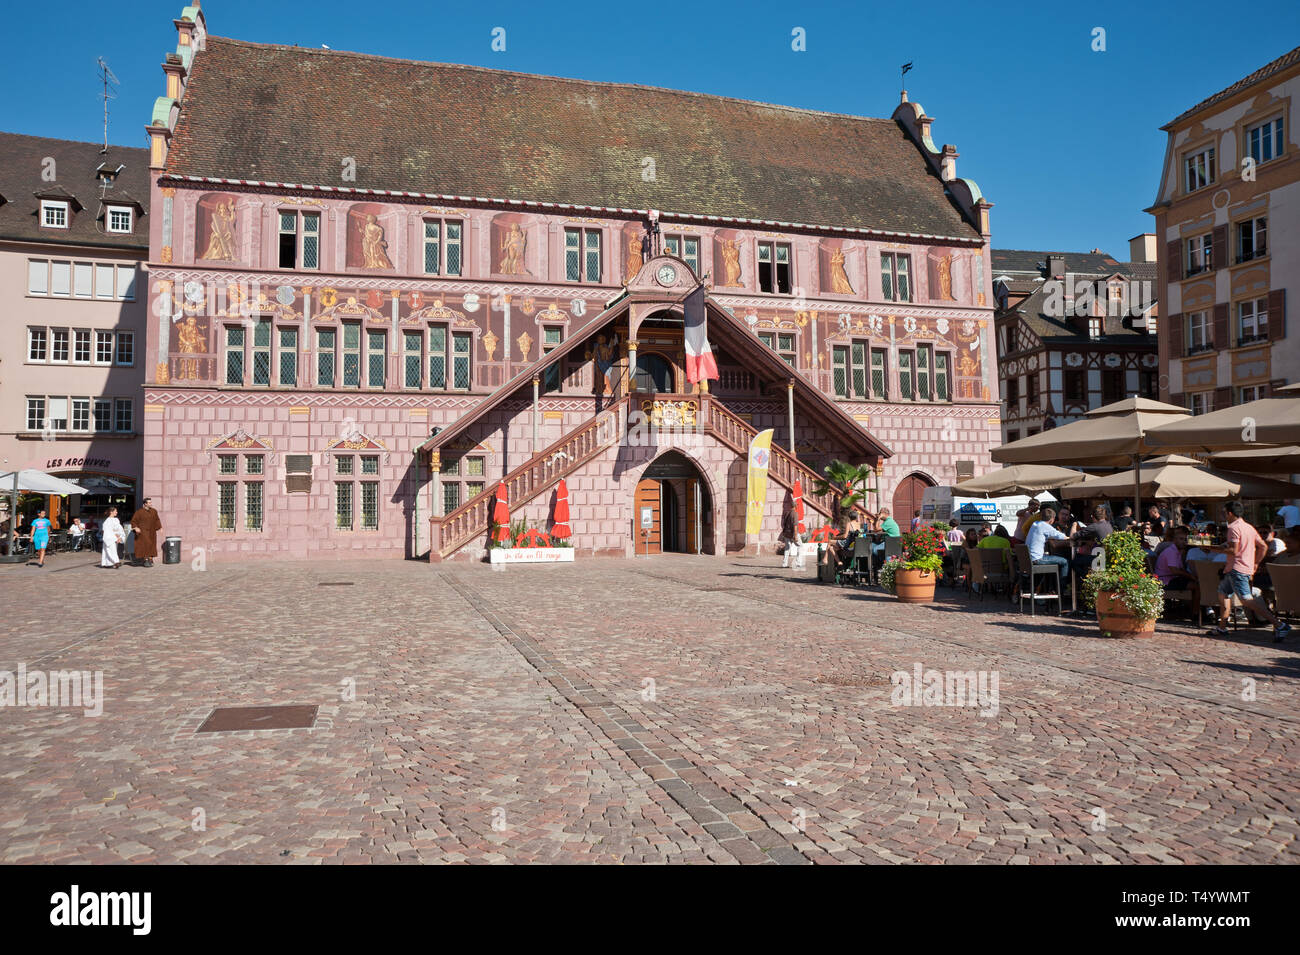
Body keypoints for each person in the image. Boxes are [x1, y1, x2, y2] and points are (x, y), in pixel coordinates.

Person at [1208, 500, 1291, 641]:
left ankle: (1280, 624)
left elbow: (1233, 551)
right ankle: (1222, 627)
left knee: (1246, 600)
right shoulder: (1249, 527)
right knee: (1222, 593)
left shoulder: (1233, 528)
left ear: (1229, 513)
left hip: (1237, 569)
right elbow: (1263, 547)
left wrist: (1211, 548)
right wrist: (1255, 564)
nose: (1223, 515)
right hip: (1237, 568)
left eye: (1223, 512)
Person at [1154, 526, 1199, 614]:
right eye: (1181, 539)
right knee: (1197, 586)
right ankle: (1196, 613)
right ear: (1174, 540)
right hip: (1165, 581)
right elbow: (1175, 570)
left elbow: (1180, 569)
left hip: (1171, 578)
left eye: (1185, 540)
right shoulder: (1171, 551)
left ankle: (1193, 611)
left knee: (1196, 583)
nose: (1184, 542)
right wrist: (1191, 576)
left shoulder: (1178, 551)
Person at [1025, 505, 1070, 589]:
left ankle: (1049, 591)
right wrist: (1071, 538)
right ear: (1052, 519)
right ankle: (1062, 589)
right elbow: (1061, 536)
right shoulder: (1045, 526)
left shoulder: (1035, 524)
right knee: (1065, 562)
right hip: (1037, 559)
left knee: (1052, 559)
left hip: (1029, 559)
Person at [129, 497, 163, 568]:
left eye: (151, 502)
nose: (151, 504)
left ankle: (150, 559)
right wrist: (136, 527)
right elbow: (133, 521)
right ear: (145, 504)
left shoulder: (154, 511)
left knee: (152, 545)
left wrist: (160, 527)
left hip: (152, 532)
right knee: (145, 545)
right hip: (143, 532)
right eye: (149, 502)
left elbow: (157, 520)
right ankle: (145, 560)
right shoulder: (139, 512)